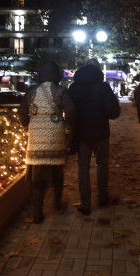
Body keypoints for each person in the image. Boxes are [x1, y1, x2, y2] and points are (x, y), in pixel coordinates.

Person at [19, 62, 76, 223]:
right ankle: (57, 203)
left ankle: (37, 212)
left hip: (36, 136)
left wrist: (26, 127)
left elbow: (22, 110)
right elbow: (71, 110)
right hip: (55, 134)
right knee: (57, 169)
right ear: (57, 75)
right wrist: (68, 128)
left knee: (38, 175)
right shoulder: (60, 91)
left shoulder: (31, 91)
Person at [68, 58, 121, 215]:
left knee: (83, 167)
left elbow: (69, 111)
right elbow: (114, 113)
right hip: (100, 133)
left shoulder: (74, 88)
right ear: (98, 71)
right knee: (102, 165)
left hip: (82, 135)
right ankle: (102, 198)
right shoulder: (103, 88)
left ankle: (85, 204)